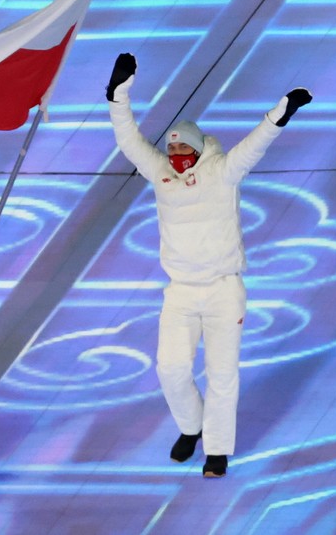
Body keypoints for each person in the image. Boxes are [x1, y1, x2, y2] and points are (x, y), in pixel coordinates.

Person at [105, 53, 312, 477]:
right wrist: (117, 96)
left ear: (199, 148)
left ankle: (217, 449)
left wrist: (281, 112)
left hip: (222, 290)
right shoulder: (161, 173)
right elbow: (129, 141)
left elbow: (255, 145)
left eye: (184, 146)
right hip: (180, 291)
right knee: (171, 368)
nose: (176, 152)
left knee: (222, 373)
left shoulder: (223, 171)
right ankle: (191, 426)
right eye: (172, 146)